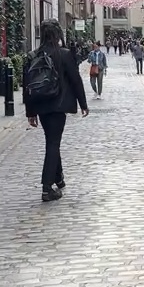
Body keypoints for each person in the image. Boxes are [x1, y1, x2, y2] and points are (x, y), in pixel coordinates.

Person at [23, 20, 88, 202]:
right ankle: (47, 188)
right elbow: (75, 80)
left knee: (52, 141)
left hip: (41, 106)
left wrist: (30, 112)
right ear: (58, 34)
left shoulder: (33, 55)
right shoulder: (64, 54)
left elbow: (27, 86)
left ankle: (58, 179)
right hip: (58, 105)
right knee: (53, 144)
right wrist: (83, 104)